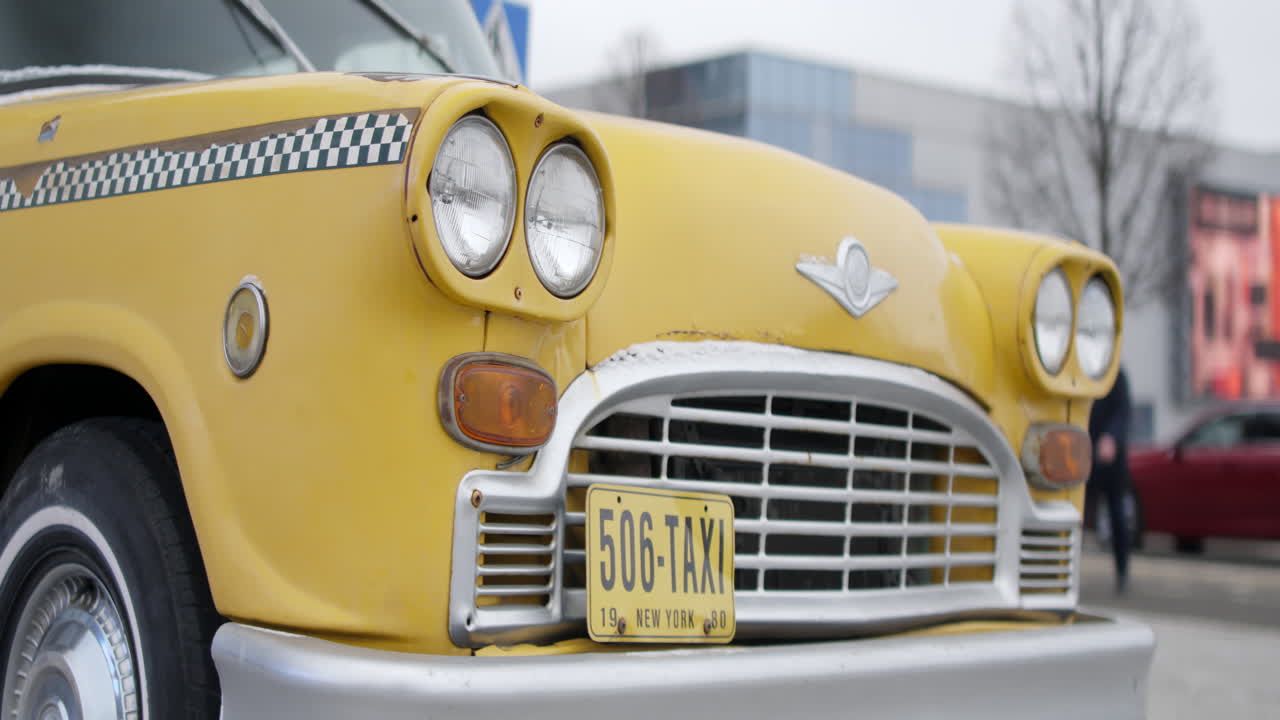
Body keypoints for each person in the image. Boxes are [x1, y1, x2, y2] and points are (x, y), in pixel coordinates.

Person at [1089, 366, 1132, 593]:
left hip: (1111, 458)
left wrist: (1111, 437)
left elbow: (1122, 412)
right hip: (1083, 452)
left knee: (1117, 515)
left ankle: (1122, 572)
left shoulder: (1117, 375)